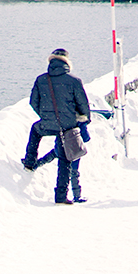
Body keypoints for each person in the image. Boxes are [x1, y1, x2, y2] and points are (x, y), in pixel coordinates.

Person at [28, 48, 91, 204]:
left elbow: (33, 102)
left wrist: (45, 116)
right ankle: (61, 196)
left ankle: (29, 162)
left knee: (35, 131)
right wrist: (81, 118)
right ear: (67, 63)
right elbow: (83, 105)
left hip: (48, 123)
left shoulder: (41, 80)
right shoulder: (74, 81)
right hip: (67, 126)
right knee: (65, 159)